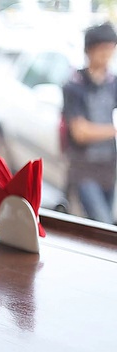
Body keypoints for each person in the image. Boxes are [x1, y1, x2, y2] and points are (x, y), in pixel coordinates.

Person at [62, 22, 117, 224]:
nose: (106, 55)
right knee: (101, 222)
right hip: (83, 168)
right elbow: (80, 132)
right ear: (89, 50)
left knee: (107, 223)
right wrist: (113, 130)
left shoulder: (113, 83)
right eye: (102, 49)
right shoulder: (75, 85)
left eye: (110, 49)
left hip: (109, 166)